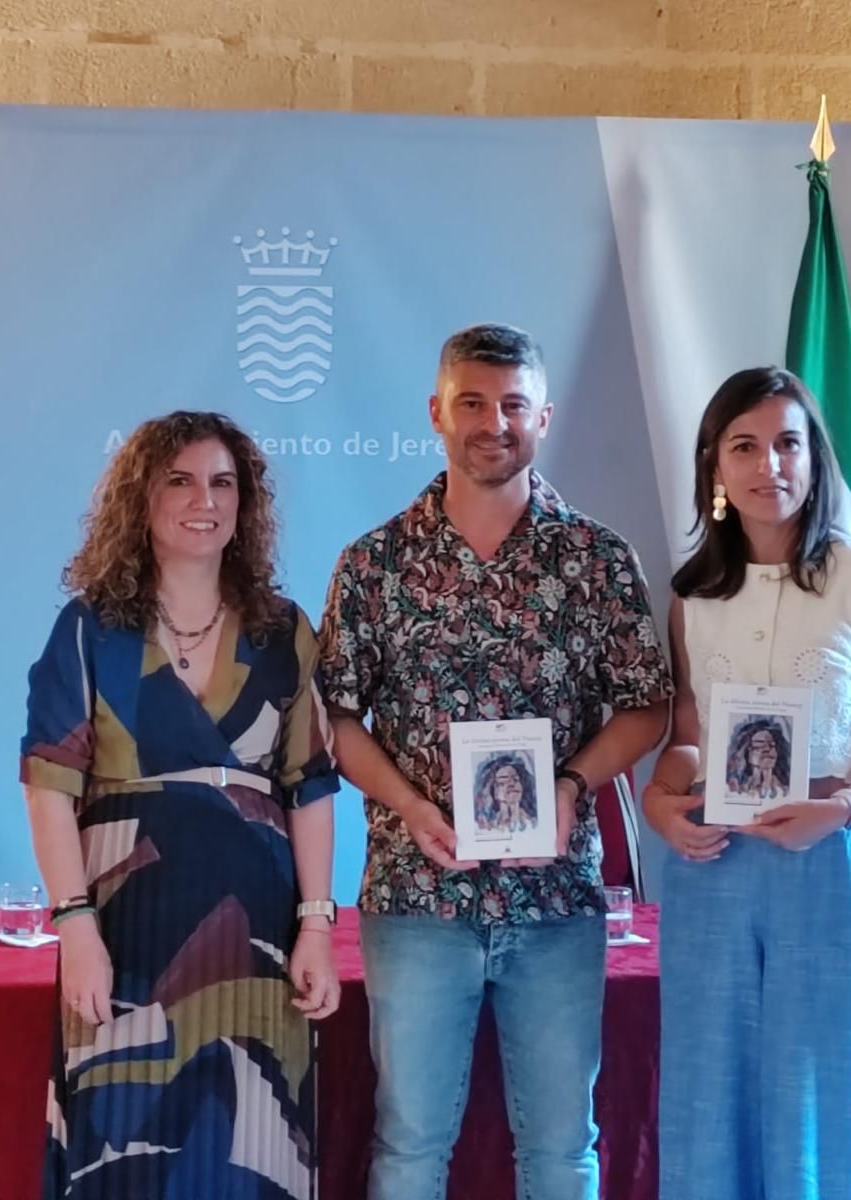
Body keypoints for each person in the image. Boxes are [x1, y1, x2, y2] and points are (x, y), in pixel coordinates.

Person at [318, 323, 672, 1200]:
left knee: (561, 1149)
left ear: (543, 417)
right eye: (472, 401)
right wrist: (409, 804)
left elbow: (648, 706)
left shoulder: (597, 560)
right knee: (408, 1147)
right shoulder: (374, 565)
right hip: (415, 897)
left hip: (555, 901)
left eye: (513, 404)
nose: (493, 421)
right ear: (435, 412)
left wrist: (568, 784)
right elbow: (336, 719)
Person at [21, 411, 340, 1200]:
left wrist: (318, 924)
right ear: (142, 499)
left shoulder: (282, 632)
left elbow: (312, 787)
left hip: (258, 938)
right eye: (181, 480)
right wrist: (74, 927)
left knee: (250, 1151)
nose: (206, 499)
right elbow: (49, 788)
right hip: (125, 929)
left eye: (223, 482)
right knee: (120, 1149)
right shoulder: (90, 631)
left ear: (246, 504)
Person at [642, 367, 851, 1200]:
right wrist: (660, 801)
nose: (767, 464)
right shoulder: (692, 599)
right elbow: (692, 739)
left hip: (832, 863)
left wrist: (842, 806)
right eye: (745, 446)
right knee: (711, 1097)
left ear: (814, 461)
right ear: (715, 468)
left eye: (787, 443)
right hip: (713, 871)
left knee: (827, 1097)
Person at [725, 716, 789, 800]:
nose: (767, 749)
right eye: (760, 744)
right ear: (747, 750)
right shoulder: (735, 789)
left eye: (771, 745)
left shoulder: (784, 790)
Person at [474, 754, 538, 834]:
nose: (511, 784)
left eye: (516, 779)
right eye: (503, 781)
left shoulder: (534, 823)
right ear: (494, 791)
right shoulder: (486, 827)